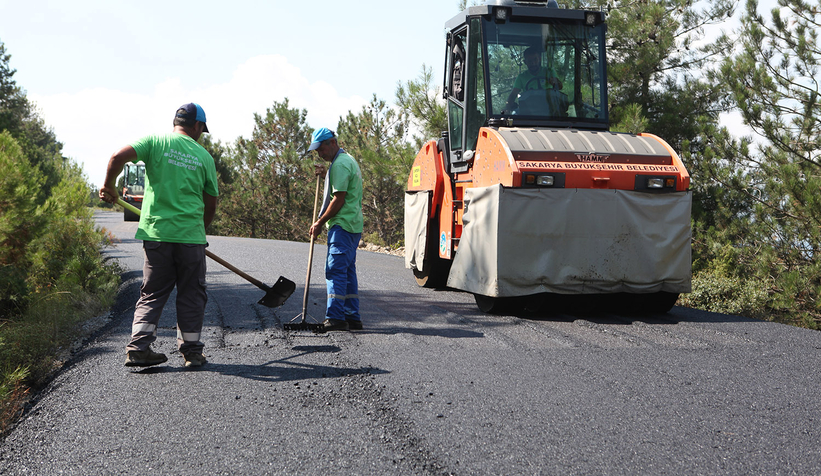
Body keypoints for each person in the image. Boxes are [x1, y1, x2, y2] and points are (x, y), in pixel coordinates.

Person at [99, 103, 219, 368]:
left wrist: (109, 185)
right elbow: (210, 205)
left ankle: (139, 348)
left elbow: (117, 157)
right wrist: (199, 231)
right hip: (190, 238)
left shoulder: (154, 142)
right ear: (198, 126)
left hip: (157, 235)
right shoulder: (204, 157)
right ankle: (192, 353)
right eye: (202, 129)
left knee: (152, 292)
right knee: (191, 294)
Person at [307, 128, 364, 332]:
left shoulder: (339, 165)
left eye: (321, 149)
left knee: (335, 271)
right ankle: (352, 316)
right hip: (353, 225)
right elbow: (342, 188)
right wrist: (326, 174)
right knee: (348, 271)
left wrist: (320, 222)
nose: (319, 154)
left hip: (342, 225)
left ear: (332, 142)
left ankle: (336, 317)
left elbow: (338, 199)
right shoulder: (346, 161)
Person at [505, 46, 563, 112]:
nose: (533, 63)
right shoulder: (522, 77)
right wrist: (507, 107)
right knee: (515, 113)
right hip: (529, 111)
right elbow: (513, 94)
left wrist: (555, 83)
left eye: (535, 59)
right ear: (525, 62)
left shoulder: (549, 72)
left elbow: (559, 86)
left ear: (540, 59)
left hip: (549, 110)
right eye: (530, 61)